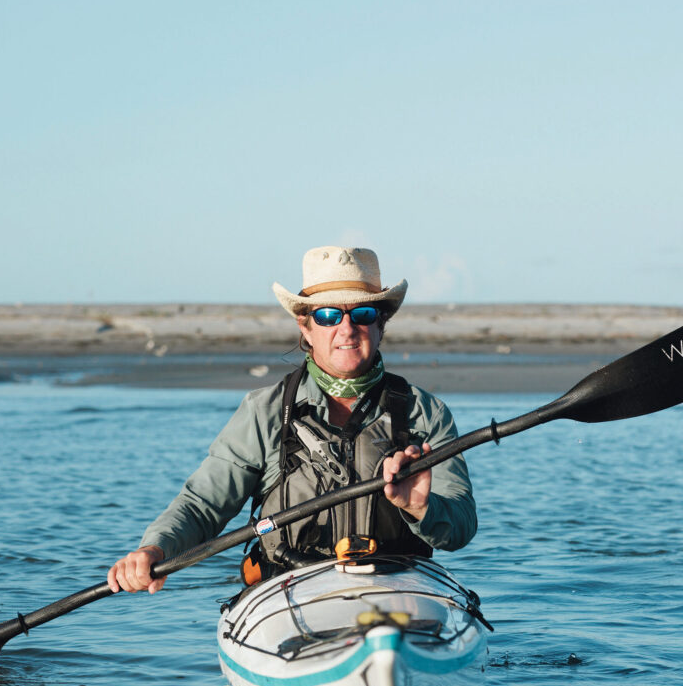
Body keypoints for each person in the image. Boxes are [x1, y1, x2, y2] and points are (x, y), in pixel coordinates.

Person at [107, 246, 477, 594]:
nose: (346, 330)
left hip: (399, 590)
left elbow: (460, 527)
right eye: (328, 315)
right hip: (289, 593)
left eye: (362, 314)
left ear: (382, 325)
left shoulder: (425, 413)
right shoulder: (263, 412)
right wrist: (156, 549)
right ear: (305, 326)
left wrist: (420, 508)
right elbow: (203, 504)